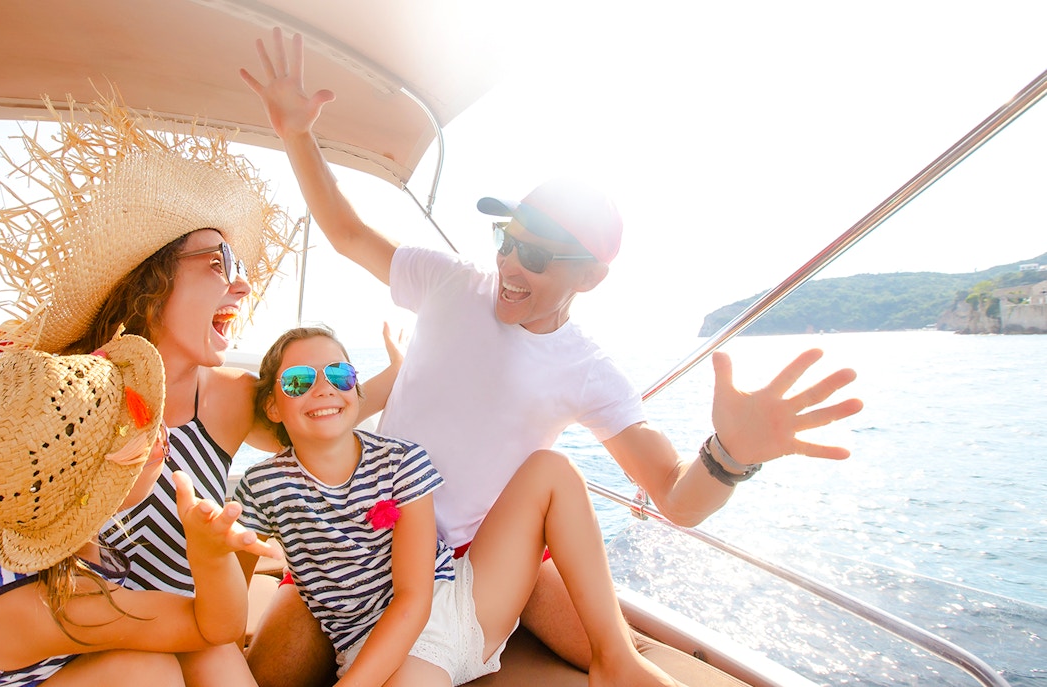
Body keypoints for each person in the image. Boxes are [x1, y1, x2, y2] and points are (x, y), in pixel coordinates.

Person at [239, 28, 865, 686]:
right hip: (360, 540)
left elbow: (677, 499)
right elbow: (345, 231)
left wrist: (731, 454)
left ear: (589, 278)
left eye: (536, 254)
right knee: (265, 670)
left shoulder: (586, 369)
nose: (509, 262)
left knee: (559, 495)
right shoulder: (452, 282)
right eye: (507, 239)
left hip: (467, 564)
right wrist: (294, 133)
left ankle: (612, 658)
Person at [0, 96, 399, 681]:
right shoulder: (58, 404)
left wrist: (402, 374)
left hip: (169, 625)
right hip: (75, 646)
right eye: (220, 260)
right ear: (151, 283)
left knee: (235, 641)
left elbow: (318, 412)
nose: (245, 284)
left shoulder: (231, 398)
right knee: (152, 669)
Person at [234, 326, 678, 686]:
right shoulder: (261, 487)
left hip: (458, 603)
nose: (323, 390)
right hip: (380, 648)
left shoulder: (401, 461)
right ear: (273, 405)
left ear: (355, 386)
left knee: (551, 470)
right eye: (298, 381)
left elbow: (414, 597)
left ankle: (616, 660)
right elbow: (232, 601)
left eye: (339, 375)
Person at [0, 331, 278, 686]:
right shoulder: (62, 605)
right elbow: (213, 627)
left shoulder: (22, 517)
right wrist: (208, 553)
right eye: (141, 420)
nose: (161, 426)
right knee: (146, 674)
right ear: (95, 485)